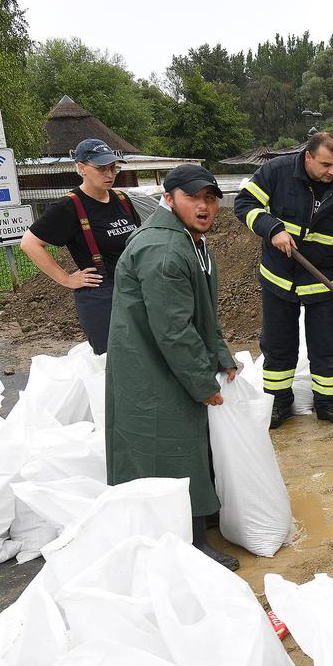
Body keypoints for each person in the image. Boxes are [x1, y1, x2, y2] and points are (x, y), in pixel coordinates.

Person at [104, 165, 241, 570]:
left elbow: (202, 313)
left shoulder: (188, 241)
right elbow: (174, 330)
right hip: (151, 367)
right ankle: (191, 542)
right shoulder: (165, 250)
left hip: (163, 361)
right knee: (173, 448)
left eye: (211, 198)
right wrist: (203, 381)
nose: (205, 206)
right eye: (194, 197)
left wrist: (221, 357)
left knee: (185, 445)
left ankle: (199, 521)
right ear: (170, 198)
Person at [233, 132, 333, 429]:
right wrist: (272, 228)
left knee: (326, 346)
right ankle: (279, 401)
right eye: (325, 165)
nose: (332, 172)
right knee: (278, 344)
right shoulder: (277, 172)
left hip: (321, 281)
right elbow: (243, 205)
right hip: (279, 278)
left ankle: (328, 402)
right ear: (308, 157)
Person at [20, 138, 142, 353]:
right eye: (101, 168)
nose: (110, 174)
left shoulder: (122, 199)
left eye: (113, 167)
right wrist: (66, 279)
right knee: (113, 363)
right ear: (81, 168)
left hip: (134, 289)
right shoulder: (69, 206)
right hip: (101, 297)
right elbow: (29, 243)